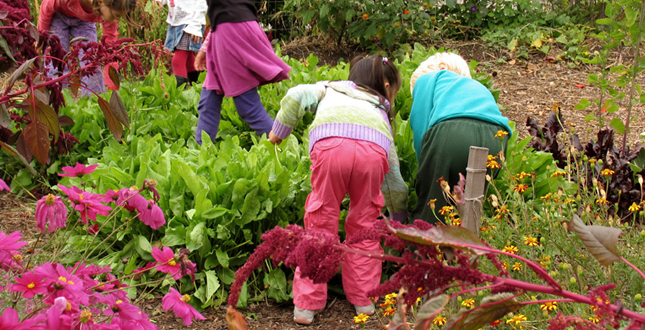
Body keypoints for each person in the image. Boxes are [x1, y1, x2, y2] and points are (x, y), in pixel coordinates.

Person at [268, 55, 409, 325]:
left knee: (320, 222)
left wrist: (279, 131)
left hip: (331, 148)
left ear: (352, 77)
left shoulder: (330, 88)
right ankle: (364, 301)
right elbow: (392, 174)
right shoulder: (380, 114)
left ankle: (306, 307)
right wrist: (398, 214)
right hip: (373, 151)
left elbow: (296, 94)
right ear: (386, 87)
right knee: (366, 224)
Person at [408, 52, 512, 222]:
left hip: (452, 131)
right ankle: (467, 242)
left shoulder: (428, 78)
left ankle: (422, 246)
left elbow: (421, 126)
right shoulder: (475, 86)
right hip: (497, 137)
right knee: (470, 205)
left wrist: (425, 168)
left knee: (431, 207)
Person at [193, 0, 291, 145]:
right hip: (226, 29)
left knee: (247, 104)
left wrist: (194, 27)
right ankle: (201, 152)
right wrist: (205, 47)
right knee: (209, 99)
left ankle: (285, 151)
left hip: (231, 30)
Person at [38, 0, 136, 96]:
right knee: (56, 62)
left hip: (85, 22)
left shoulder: (107, 8)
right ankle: (56, 102)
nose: (116, 20)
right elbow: (46, 7)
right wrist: (42, 36)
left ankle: (95, 104)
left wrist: (112, 83)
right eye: (116, 15)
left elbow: (110, 47)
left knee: (92, 62)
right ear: (100, 2)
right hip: (57, 15)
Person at [156, 0, 207, 87]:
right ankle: (198, 87)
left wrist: (195, 26)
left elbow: (202, 4)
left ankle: (178, 93)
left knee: (178, 60)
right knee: (188, 60)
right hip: (175, 23)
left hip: (190, 24)